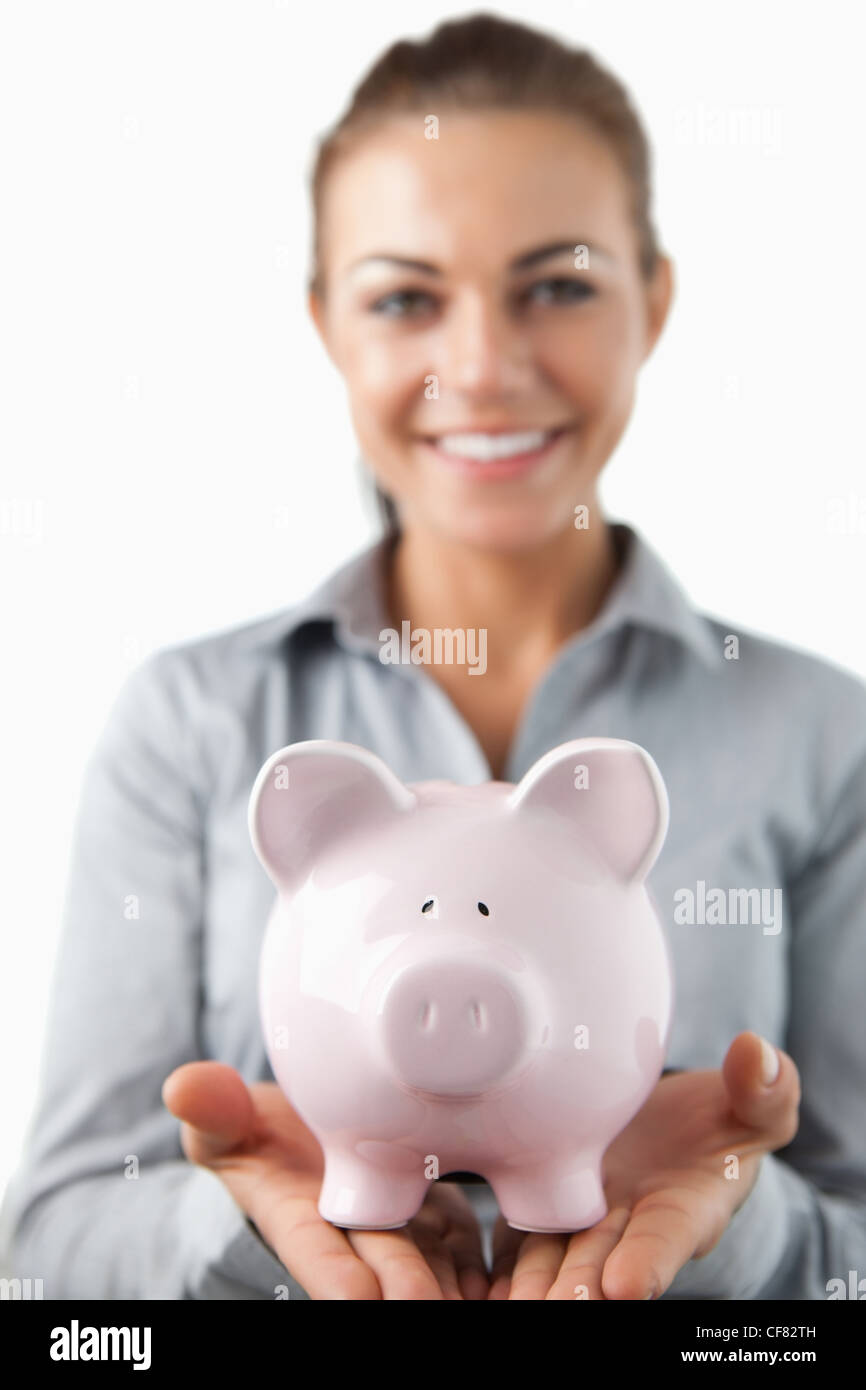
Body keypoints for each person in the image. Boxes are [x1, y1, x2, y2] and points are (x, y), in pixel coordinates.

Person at [2, 12, 864, 1301]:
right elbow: (50, 1254)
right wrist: (247, 1233)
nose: (483, 366)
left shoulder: (821, 734)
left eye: (558, 284)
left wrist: (741, 1226)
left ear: (656, 299)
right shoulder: (191, 724)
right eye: (406, 298)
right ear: (327, 326)